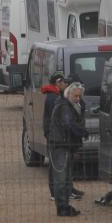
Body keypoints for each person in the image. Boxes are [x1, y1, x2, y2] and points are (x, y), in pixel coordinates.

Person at [40, 73, 84, 201]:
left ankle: (67, 189)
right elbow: (61, 120)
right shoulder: (54, 98)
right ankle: (57, 192)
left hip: (56, 136)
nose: (65, 84)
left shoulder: (56, 96)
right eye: (63, 82)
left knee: (63, 164)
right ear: (57, 83)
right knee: (58, 165)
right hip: (56, 137)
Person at [48, 82, 88, 217]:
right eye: (76, 96)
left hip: (65, 146)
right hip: (60, 146)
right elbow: (68, 124)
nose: (78, 99)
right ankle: (62, 207)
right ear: (69, 94)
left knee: (66, 178)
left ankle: (64, 205)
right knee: (61, 178)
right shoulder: (65, 106)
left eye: (79, 96)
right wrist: (81, 131)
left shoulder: (70, 106)